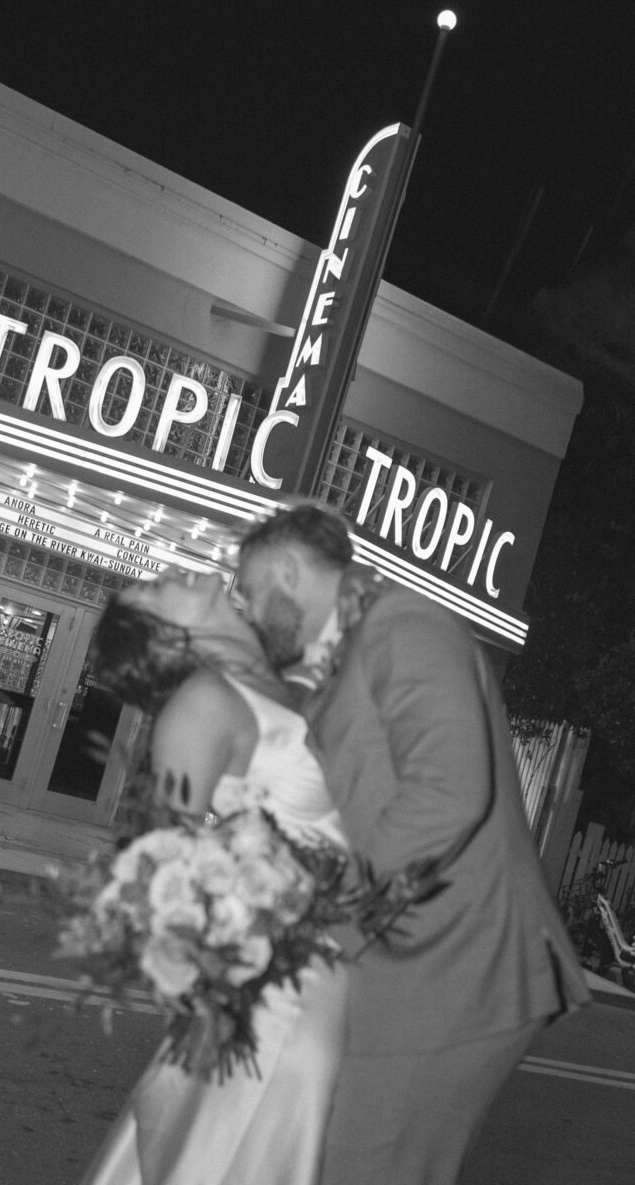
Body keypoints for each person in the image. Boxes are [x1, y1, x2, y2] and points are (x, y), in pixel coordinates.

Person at [237, 504, 591, 1185]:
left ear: (287, 569)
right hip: (413, 966)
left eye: (249, 591)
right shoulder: (347, 663)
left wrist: (326, 913)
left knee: (366, 1167)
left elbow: (449, 794)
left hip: (463, 971)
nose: (248, 611)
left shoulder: (404, 627)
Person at [77, 566, 349, 1185]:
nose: (161, 573)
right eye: (147, 591)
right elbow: (161, 867)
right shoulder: (203, 704)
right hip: (287, 998)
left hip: (351, 976)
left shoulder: (290, 677)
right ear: (166, 638)